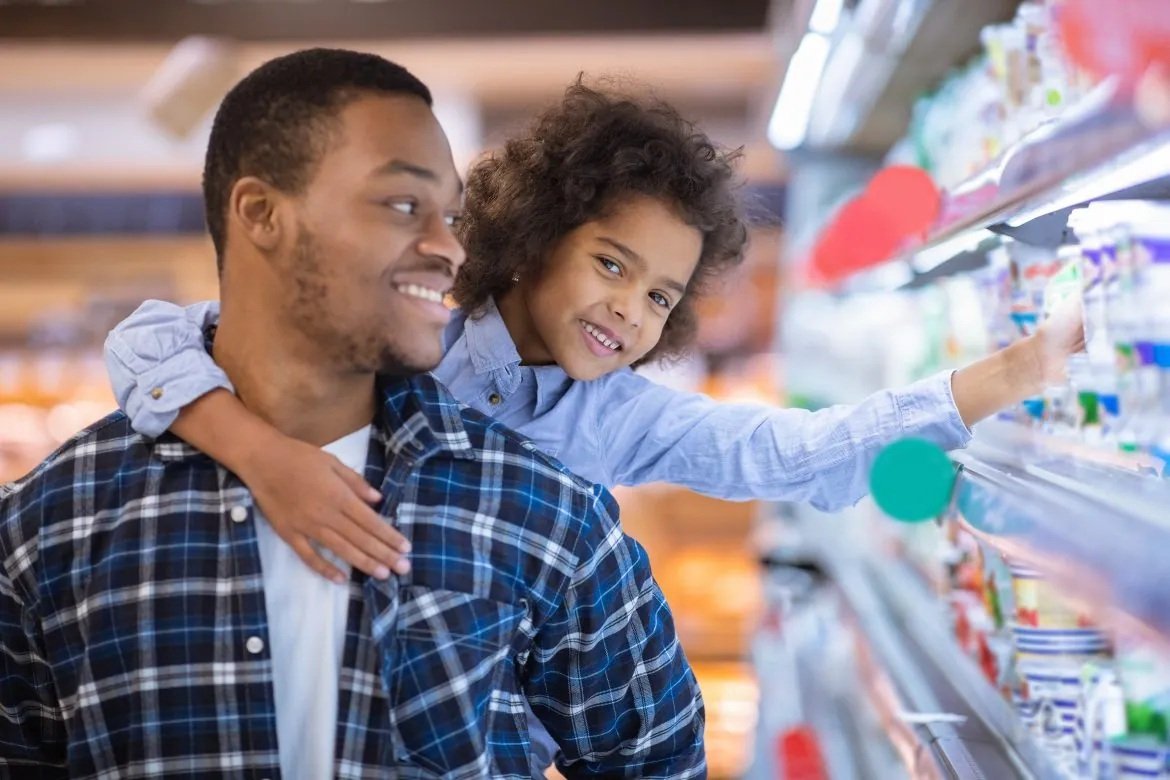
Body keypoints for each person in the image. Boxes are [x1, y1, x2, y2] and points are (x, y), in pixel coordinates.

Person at [103, 76, 1084, 773]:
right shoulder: (411, 331)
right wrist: (264, 456)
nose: (631, 311)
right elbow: (151, 340)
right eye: (611, 265)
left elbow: (802, 453)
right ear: (532, 239)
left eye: (661, 295)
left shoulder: (611, 418)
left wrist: (1017, 369)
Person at [0, 49, 705, 780]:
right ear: (261, 213)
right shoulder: (50, 528)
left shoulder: (547, 515)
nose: (449, 247)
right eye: (404, 206)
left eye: (453, 215)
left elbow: (659, 762)